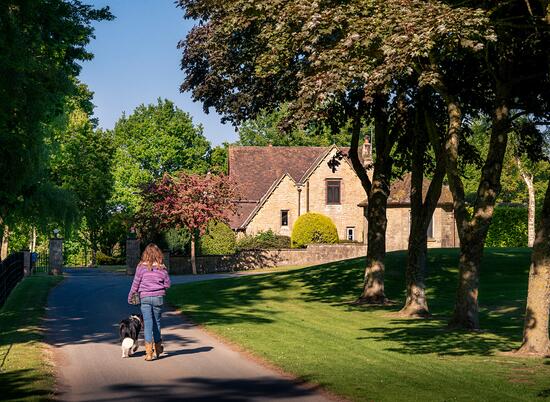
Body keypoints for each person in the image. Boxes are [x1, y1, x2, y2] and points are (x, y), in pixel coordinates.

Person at [128, 243, 171, 361]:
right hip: (158, 298)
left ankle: (148, 353)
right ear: (158, 254)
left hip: (145, 298)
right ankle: (157, 349)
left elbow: (135, 284)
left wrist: (130, 295)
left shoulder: (141, 267)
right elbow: (168, 284)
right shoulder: (162, 268)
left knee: (148, 324)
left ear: (145, 254)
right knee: (156, 323)